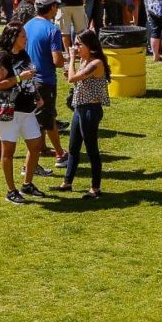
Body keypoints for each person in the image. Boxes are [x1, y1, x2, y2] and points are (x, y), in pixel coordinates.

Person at [0, 20, 48, 204]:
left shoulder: (23, 54)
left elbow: (29, 78)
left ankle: (27, 184)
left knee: (36, 145)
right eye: (23, 36)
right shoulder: (3, 57)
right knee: (9, 151)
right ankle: (11, 190)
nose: (26, 39)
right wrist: (18, 78)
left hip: (27, 110)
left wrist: (37, 95)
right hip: (9, 111)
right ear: (13, 37)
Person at [53, 28, 110, 199]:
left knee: (92, 149)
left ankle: (95, 188)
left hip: (90, 111)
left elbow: (73, 79)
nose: (76, 47)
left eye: (79, 44)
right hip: (80, 108)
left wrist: (70, 61)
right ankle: (67, 183)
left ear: (90, 46)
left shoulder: (96, 63)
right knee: (73, 148)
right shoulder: (86, 61)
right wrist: (70, 70)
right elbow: (76, 81)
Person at [25, 0, 68, 166]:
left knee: (38, 118)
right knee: (48, 119)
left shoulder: (27, 25)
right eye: (55, 6)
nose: (57, 9)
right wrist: (68, 59)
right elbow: (57, 61)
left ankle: (42, 148)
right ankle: (60, 154)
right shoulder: (52, 29)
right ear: (50, 8)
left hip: (28, 79)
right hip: (45, 81)